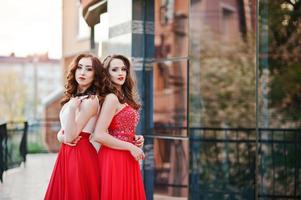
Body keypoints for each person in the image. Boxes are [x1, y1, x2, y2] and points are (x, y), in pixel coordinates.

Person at [44, 53, 102, 200]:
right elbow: (64, 131)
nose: (82, 72)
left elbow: (71, 136)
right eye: (79, 67)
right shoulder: (74, 98)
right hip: (67, 152)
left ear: (95, 75)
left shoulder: (90, 101)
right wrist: (60, 136)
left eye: (88, 69)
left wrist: (70, 109)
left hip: (80, 154)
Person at [92, 54, 146, 200]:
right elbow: (99, 134)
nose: (121, 73)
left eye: (123, 69)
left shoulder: (124, 97)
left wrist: (134, 138)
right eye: (114, 69)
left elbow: (120, 128)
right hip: (114, 158)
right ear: (107, 73)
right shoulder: (111, 98)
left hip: (127, 156)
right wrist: (130, 147)